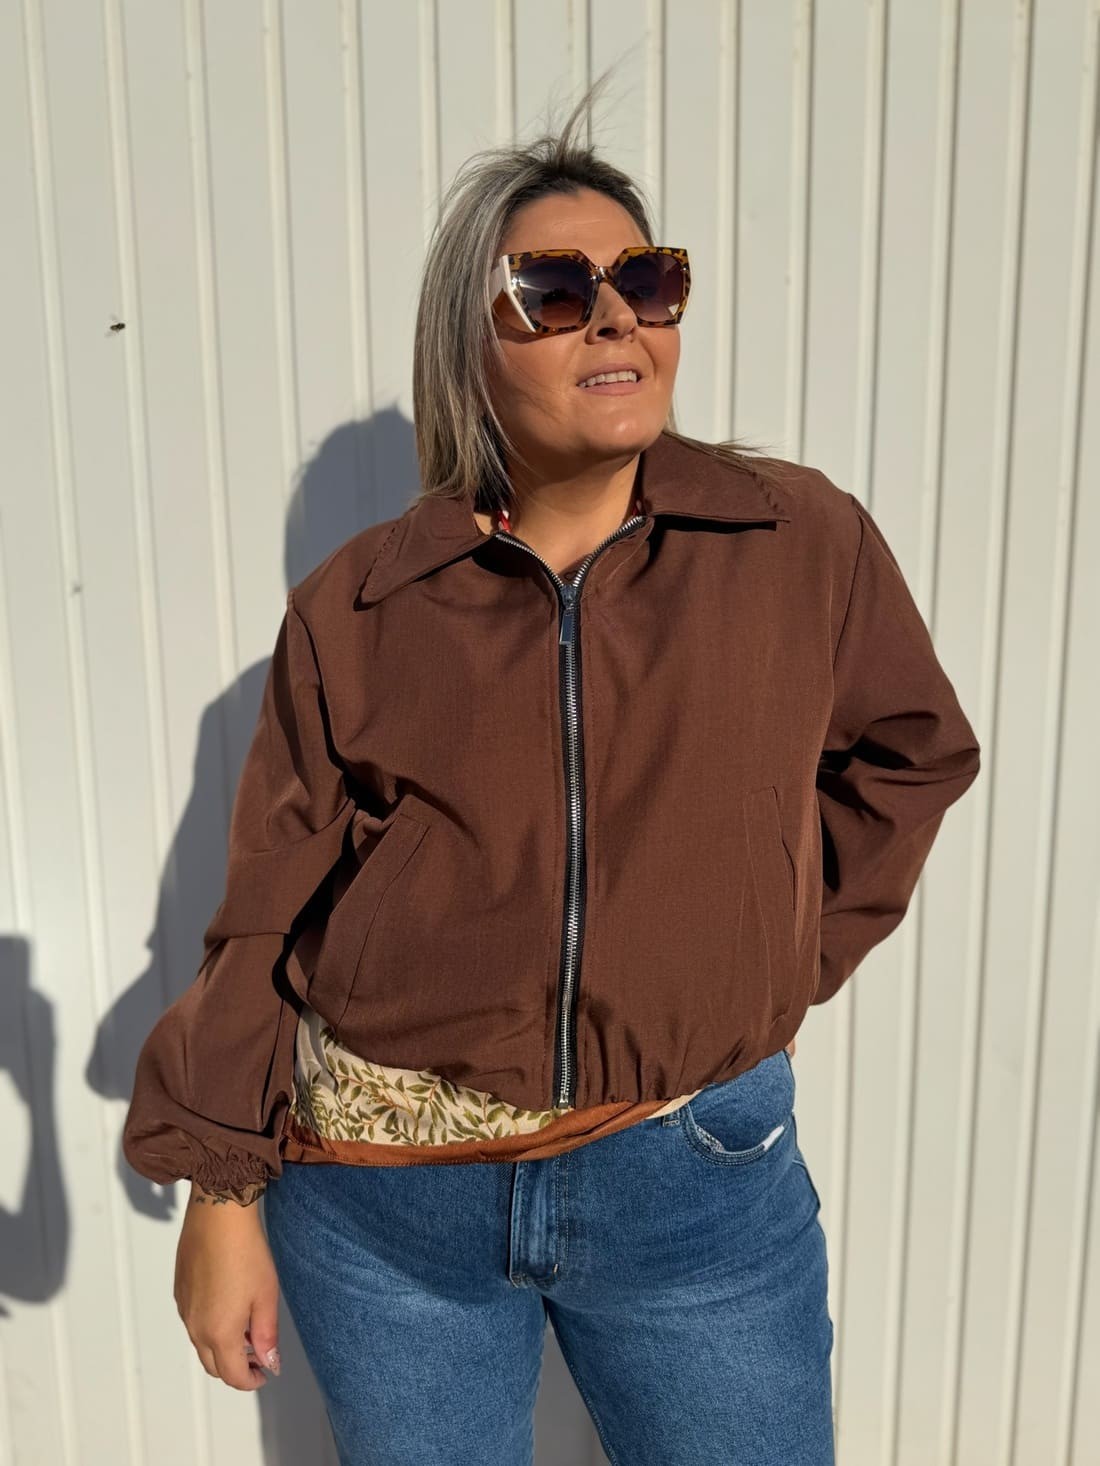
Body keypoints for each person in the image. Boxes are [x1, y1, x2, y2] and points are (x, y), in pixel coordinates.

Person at [122, 75, 981, 1466]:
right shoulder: (362, 605)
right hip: (388, 1207)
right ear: (469, 342)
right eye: (555, 290)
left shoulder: (793, 543)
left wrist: (764, 951)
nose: (615, 315)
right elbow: (268, 905)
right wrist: (218, 1190)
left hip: (693, 1177)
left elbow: (912, 755)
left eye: (646, 279)